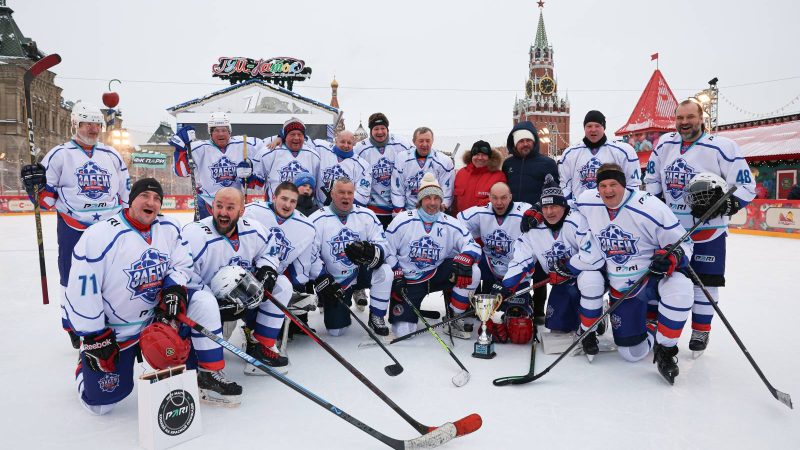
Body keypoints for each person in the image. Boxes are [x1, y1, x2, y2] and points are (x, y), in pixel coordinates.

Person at [64, 179, 239, 413]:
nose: (151, 202)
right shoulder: (100, 235)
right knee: (101, 405)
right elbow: (82, 288)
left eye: (157, 198)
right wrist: (94, 335)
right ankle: (82, 366)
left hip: (157, 319)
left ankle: (208, 372)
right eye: (145, 195)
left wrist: (173, 288)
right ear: (131, 199)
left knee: (202, 301)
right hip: (116, 331)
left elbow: (181, 264)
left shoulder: (168, 228)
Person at [644, 99, 756, 356]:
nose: (684, 123)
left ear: (701, 117)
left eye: (690, 117)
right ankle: (655, 325)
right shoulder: (664, 144)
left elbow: (746, 186)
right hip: (670, 230)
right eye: (680, 117)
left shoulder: (723, 147)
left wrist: (725, 206)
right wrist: (655, 205)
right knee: (662, 276)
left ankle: (701, 329)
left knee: (704, 283)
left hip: (708, 230)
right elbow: (652, 179)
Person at [569, 163, 695, 383]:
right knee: (631, 354)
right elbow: (562, 206)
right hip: (622, 288)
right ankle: (649, 324)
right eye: (603, 185)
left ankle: (666, 350)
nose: (608, 190)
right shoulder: (588, 200)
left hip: (652, 278)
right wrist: (536, 213)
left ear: (624, 185)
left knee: (681, 288)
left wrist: (671, 256)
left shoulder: (650, 207)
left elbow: (685, 244)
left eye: (613, 184)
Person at [20, 102, 130, 349]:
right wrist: (34, 187)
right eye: (87, 123)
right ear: (75, 125)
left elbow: (125, 192)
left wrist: (125, 218)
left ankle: (109, 318)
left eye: (97, 124)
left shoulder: (112, 155)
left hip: (109, 225)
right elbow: (46, 199)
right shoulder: (59, 154)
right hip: (74, 224)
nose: (93, 128)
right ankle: (71, 321)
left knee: (112, 274)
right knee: (71, 275)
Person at [182, 187, 293, 374]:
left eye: (230, 207)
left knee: (282, 285)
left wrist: (267, 269)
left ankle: (261, 346)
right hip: (209, 303)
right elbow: (184, 275)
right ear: (211, 208)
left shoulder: (254, 229)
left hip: (245, 295)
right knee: (204, 304)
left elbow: (269, 251)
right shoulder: (194, 234)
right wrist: (216, 304)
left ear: (241, 211)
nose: (223, 212)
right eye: (219, 206)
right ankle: (209, 371)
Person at [496, 174, 603, 344]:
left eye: (554, 206)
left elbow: (593, 256)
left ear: (563, 205)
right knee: (557, 327)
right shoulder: (533, 229)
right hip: (560, 283)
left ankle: (594, 317)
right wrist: (508, 287)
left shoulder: (576, 221)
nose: (549, 212)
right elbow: (520, 260)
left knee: (589, 282)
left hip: (582, 278)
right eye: (545, 207)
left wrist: (568, 268)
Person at [385, 173, 481, 339]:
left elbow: (471, 244)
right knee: (403, 333)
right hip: (410, 280)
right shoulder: (402, 220)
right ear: (420, 200)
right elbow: (386, 249)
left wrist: (467, 256)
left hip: (436, 273)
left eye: (436, 198)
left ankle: (454, 315)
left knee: (473, 269)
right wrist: (396, 273)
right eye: (428, 198)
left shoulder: (449, 222)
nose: (432, 203)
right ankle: (409, 312)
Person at [307, 178, 393, 337]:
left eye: (349, 193)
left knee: (385, 271)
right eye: (341, 192)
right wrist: (323, 278)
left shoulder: (367, 215)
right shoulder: (317, 219)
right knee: (336, 331)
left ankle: (377, 316)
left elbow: (383, 244)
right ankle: (331, 302)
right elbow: (309, 255)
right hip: (336, 280)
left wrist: (374, 251)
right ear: (332, 194)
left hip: (361, 271)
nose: (346, 197)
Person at [503, 121, 558, 324]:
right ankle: (515, 304)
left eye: (528, 140)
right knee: (516, 262)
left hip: (538, 222)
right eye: (521, 141)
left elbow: (552, 192)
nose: (525, 144)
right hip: (512, 223)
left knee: (539, 266)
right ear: (514, 144)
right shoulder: (508, 164)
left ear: (534, 141)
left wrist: (539, 211)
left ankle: (538, 310)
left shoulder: (547, 164)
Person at [244, 182, 316, 336]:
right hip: (245, 275)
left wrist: (299, 285)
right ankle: (250, 328)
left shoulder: (306, 227)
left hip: (273, 278)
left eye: (293, 201)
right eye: (284, 199)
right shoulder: (251, 212)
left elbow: (302, 265)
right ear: (274, 197)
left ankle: (264, 339)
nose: (288, 205)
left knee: (284, 287)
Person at [170, 112, 264, 219]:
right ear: (210, 132)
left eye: (224, 130)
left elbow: (268, 147)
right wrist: (180, 150)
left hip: (234, 203)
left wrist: (280, 137)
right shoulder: (198, 148)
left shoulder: (245, 143)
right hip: (207, 202)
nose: (221, 134)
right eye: (216, 130)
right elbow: (181, 172)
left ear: (230, 131)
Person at [457, 182, 530, 295]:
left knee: (516, 308)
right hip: (490, 265)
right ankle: (464, 305)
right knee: (463, 264)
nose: (499, 202)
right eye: (494, 198)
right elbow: (458, 225)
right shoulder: (481, 211)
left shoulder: (524, 211)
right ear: (489, 197)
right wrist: (468, 248)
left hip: (516, 267)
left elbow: (542, 214)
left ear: (510, 197)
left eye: (503, 198)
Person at [558, 110, 641, 204]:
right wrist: (570, 207)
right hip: (581, 210)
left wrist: (625, 206)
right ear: (584, 128)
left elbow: (633, 184)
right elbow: (565, 186)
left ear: (604, 128)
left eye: (597, 126)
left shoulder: (623, 151)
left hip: (613, 209)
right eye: (589, 126)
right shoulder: (570, 153)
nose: (593, 129)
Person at [354, 113, 411, 229]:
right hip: (373, 207)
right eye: (376, 129)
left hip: (398, 207)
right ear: (370, 131)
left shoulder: (401, 143)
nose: (380, 132)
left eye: (383, 128)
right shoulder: (360, 148)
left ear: (387, 129)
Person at [391, 127, 454, 213]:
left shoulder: (444, 161)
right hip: (409, 210)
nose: (424, 144)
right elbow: (397, 188)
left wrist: (439, 211)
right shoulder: (402, 158)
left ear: (432, 141)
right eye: (421, 141)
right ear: (414, 141)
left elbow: (447, 191)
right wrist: (399, 211)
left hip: (433, 211)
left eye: (428, 141)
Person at [255, 117, 321, 199]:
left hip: (304, 209)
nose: (296, 138)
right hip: (276, 207)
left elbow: (317, 186)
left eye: (300, 134)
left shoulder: (313, 156)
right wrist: (246, 176)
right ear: (284, 137)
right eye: (292, 134)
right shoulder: (269, 153)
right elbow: (255, 183)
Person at [316, 130, 372, 207]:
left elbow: (363, 196)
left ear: (353, 144)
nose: (346, 145)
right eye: (342, 142)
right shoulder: (322, 149)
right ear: (336, 141)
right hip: (319, 209)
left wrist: (338, 200)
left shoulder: (363, 166)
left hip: (345, 212)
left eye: (349, 143)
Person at [451, 140, 507, 214]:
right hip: (460, 223)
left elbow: (500, 202)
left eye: (484, 155)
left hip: (485, 223)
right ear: (471, 156)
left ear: (490, 157)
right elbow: (454, 201)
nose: (480, 158)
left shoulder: (498, 176)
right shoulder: (461, 173)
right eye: (476, 154)